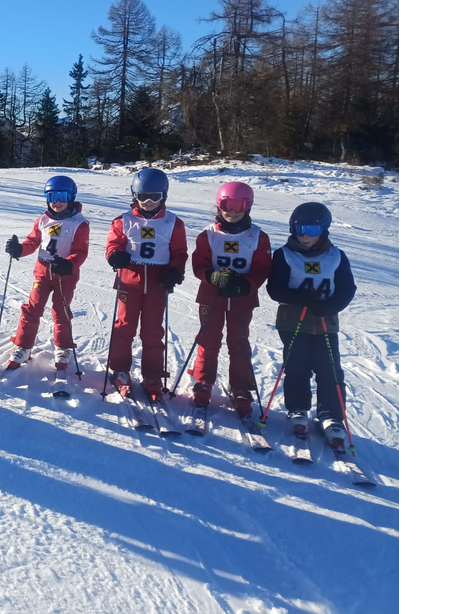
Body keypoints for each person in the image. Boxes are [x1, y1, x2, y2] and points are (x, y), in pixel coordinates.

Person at [265, 202, 357, 445]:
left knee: (329, 368)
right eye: (299, 229)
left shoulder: (336, 256)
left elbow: (347, 289)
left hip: (325, 321)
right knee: (297, 365)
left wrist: (331, 306)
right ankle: (298, 408)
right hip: (293, 321)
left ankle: (331, 415)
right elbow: (275, 289)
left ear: (323, 230)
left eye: (312, 230)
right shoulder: (284, 255)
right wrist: (299, 297)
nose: (304, 235)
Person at [187, 182, 273, 415]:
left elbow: (262, 268)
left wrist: (245, 284)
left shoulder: (258, 237)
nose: (233, 212)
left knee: (239, 342)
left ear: (248, 207)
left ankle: (241, 387)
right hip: (211, 296)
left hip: (241, 298)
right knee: (208, 340)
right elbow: (198, 264)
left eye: (240, 206)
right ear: (219, 205)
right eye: (227, 205)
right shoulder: (208, 235)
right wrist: (212, 276)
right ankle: (203, 381)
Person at [104, 167, 188, 400]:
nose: (148, 202)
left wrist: (175, 270)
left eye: (154, 197)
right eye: (143, 197)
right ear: (134, 196)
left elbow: (179, 252)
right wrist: (115, 255)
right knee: (124, 327)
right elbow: (113, 245)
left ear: (164, 196)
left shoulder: (173, 223)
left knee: (152, 331)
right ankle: (120, 370)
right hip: (129, 282)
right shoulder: (123, 221)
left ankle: (153, 375)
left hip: (158, 284)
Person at [2, 175, 90, 370]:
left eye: (61, 196)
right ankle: (23, 346)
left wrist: (69, 264)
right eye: (51, 197)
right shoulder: (42, 220)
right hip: (42, 273)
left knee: (61, 311)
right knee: (32, 309)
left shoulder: (79, 223)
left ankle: (63, 347)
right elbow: (32, 242)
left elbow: (81, 251)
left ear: (71, 197)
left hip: (65, 276)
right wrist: (19, 249)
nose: (56, 202)